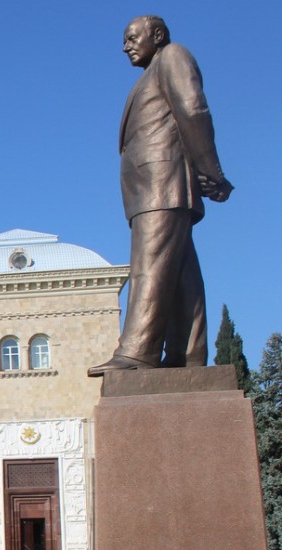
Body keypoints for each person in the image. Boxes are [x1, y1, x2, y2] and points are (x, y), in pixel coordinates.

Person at [88, 15, 233, 376]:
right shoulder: (149, 75)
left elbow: (193, 110)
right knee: (181, 274)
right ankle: (187, 354)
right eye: (124, 39)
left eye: (132, 37)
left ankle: (137, 353)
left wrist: (210, 171)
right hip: (152, 187)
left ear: (158, 35)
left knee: (148, 267)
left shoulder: (173, 57)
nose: (126, 45)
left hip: (162, 184)